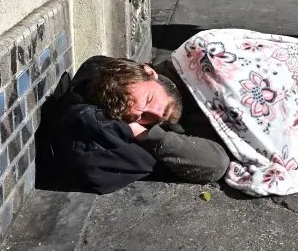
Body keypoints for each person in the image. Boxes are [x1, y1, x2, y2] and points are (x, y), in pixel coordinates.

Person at [35, 56, 230, 194]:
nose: (156, 114)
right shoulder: (145, 128)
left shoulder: (185, 68)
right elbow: (216, 163)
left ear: (149, 71)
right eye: (141, 116)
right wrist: (145, 133)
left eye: (149, 99)